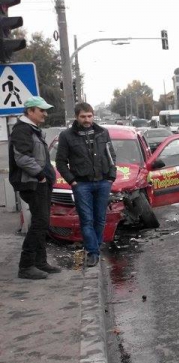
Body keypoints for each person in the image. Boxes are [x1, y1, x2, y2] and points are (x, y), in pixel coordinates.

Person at [55, 103, 116, 267]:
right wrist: (72, 181)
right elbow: (60, 162)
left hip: (103, 182)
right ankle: (93, 252)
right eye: (83, 116)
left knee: (100, 219)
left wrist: (111, 177)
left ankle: (94, 248)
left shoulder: (103, 133)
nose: (87, 119)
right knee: (86, 220)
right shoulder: (67, 136)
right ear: (77, 117)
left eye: (89, 116)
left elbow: (111, 156)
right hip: (82, 184)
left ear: (93, 115)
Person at [9, 96, 62, 279]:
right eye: (42, 111)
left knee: (43, 222)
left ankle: (40, 262)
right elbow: (22, 158)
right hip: (31, 182)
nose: (45, 114)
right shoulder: (22, 130)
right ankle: (26, 266)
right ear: (30, 111)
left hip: (40, 182)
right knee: (40, 222)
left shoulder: (33, 129)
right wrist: (40, 175)